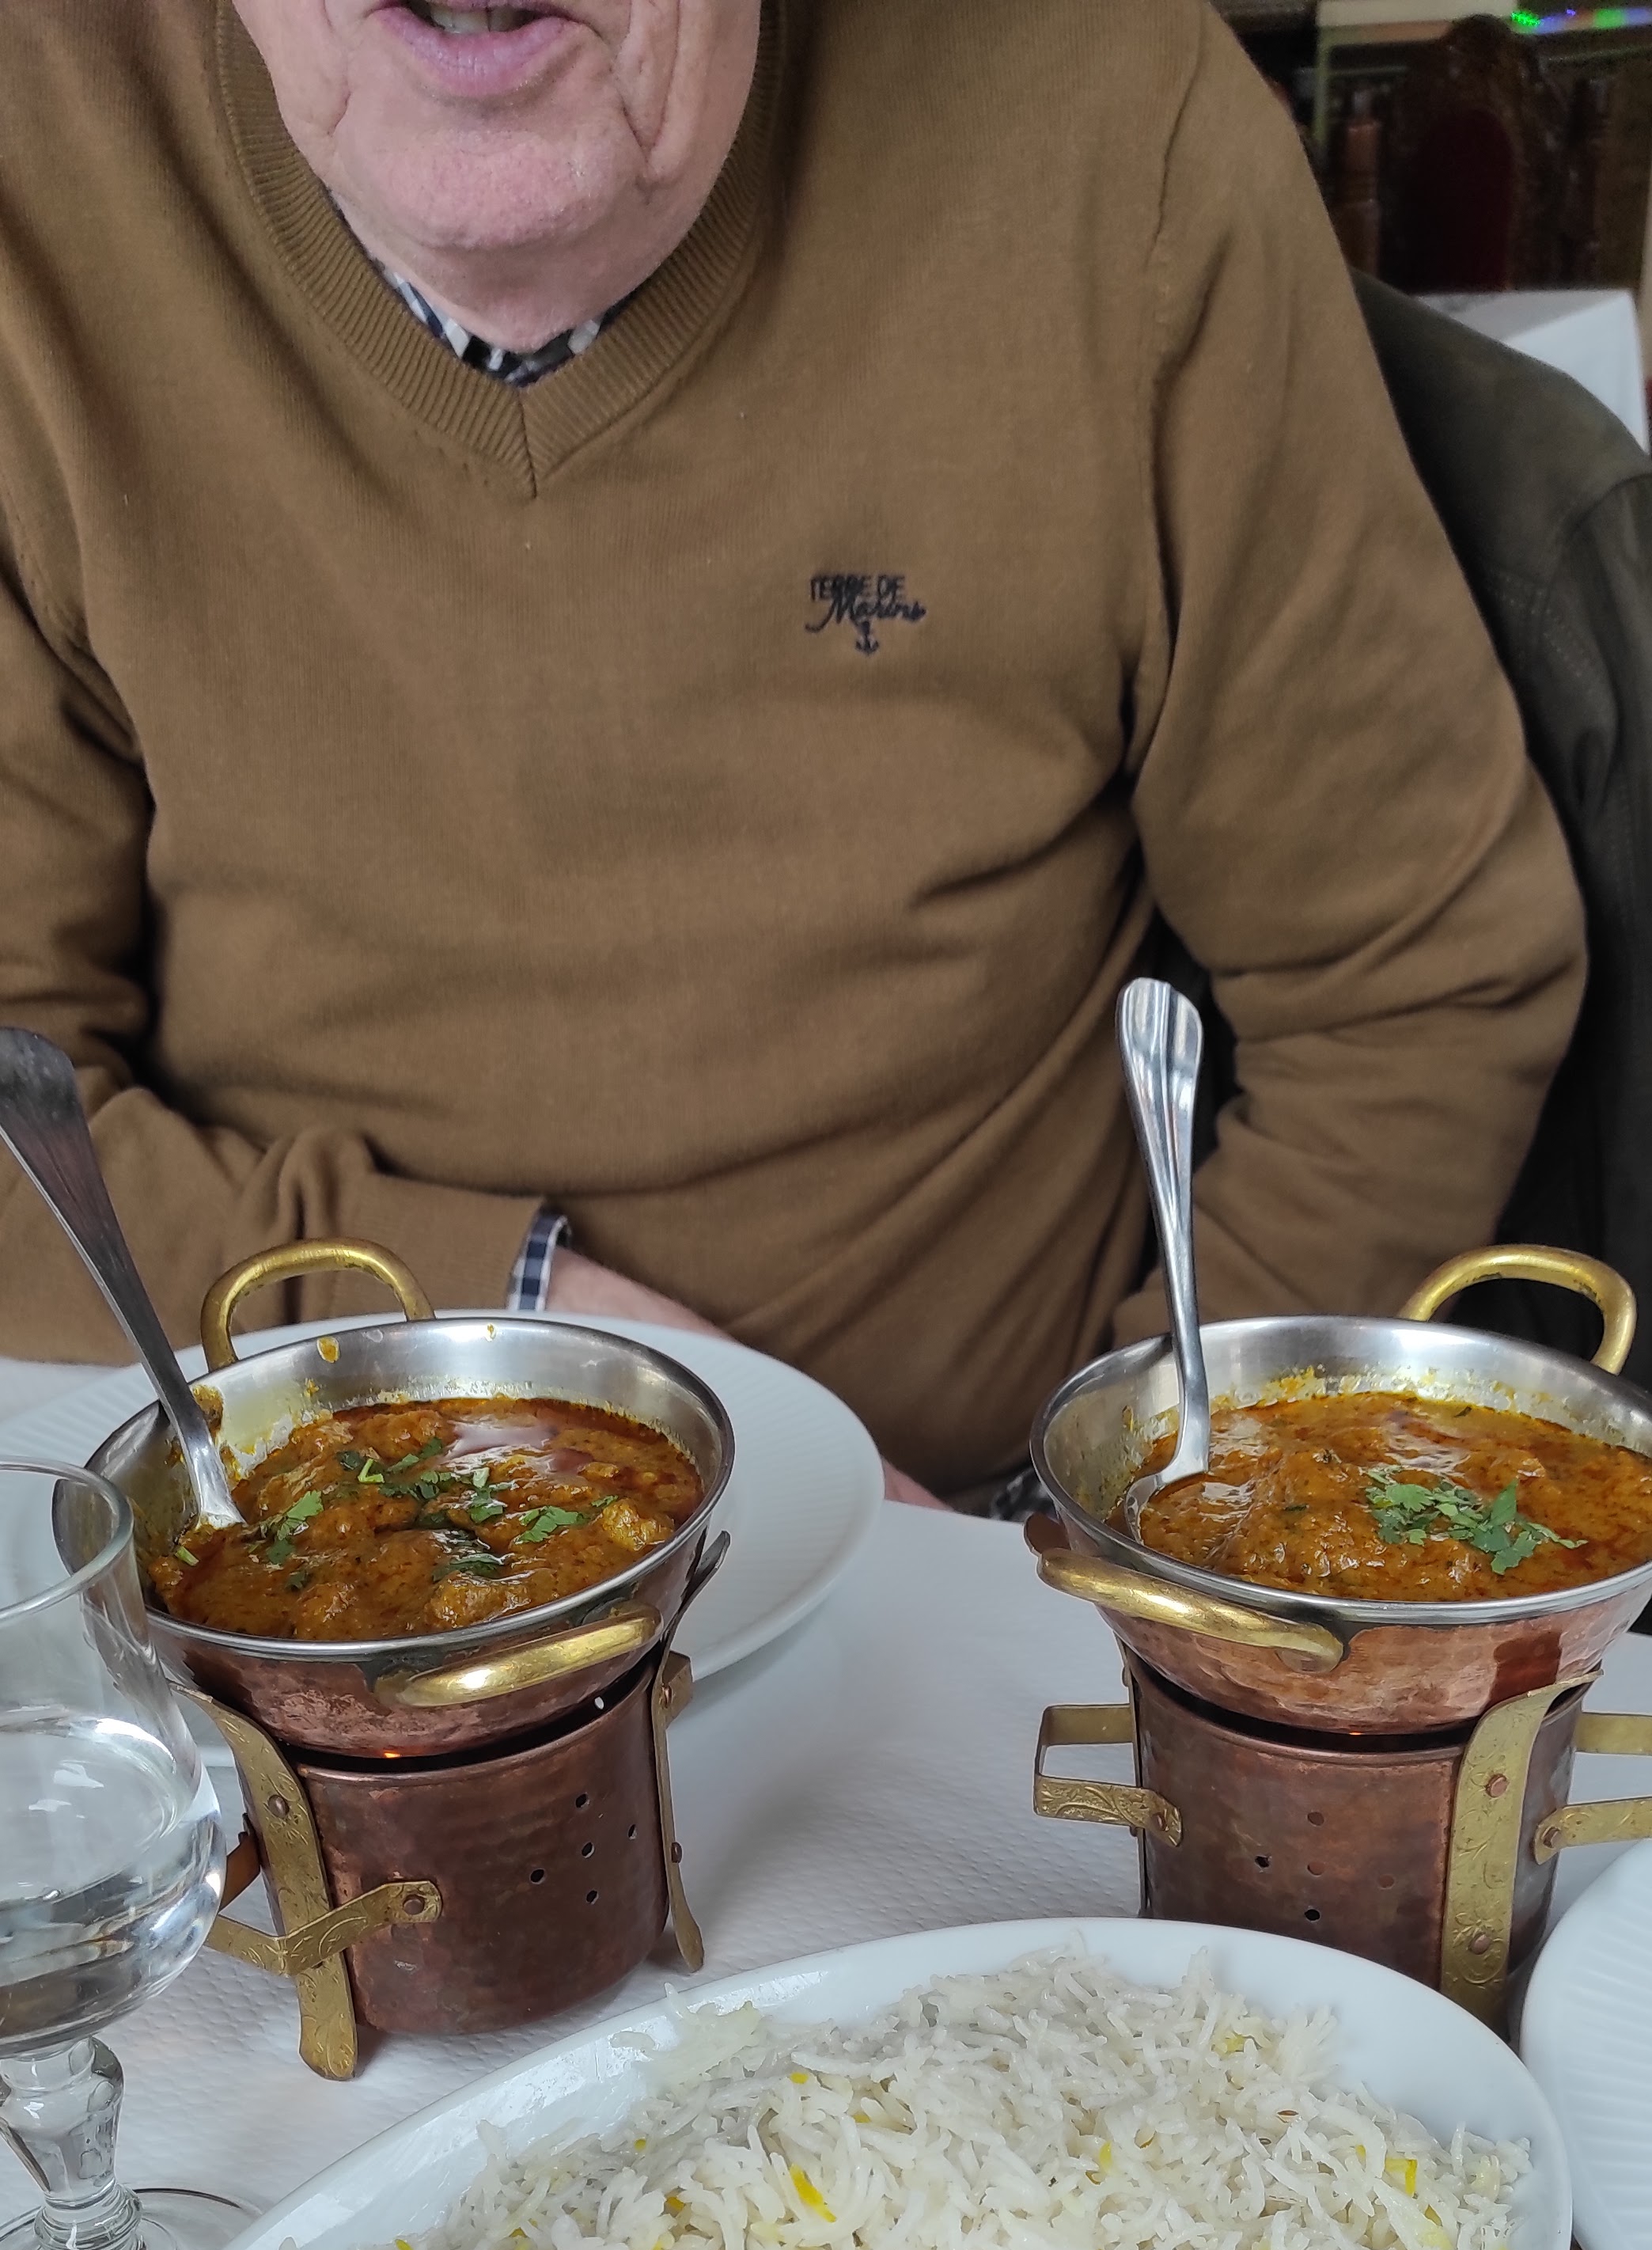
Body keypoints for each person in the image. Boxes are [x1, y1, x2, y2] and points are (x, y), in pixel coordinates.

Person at [0, 0, 1584, 1501]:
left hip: (978, 1538)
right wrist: (522, 1323)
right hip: (251, 1501)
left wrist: (1127, 1507)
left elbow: (1414, 980)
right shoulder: (39, 147)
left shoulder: (1116, 128)